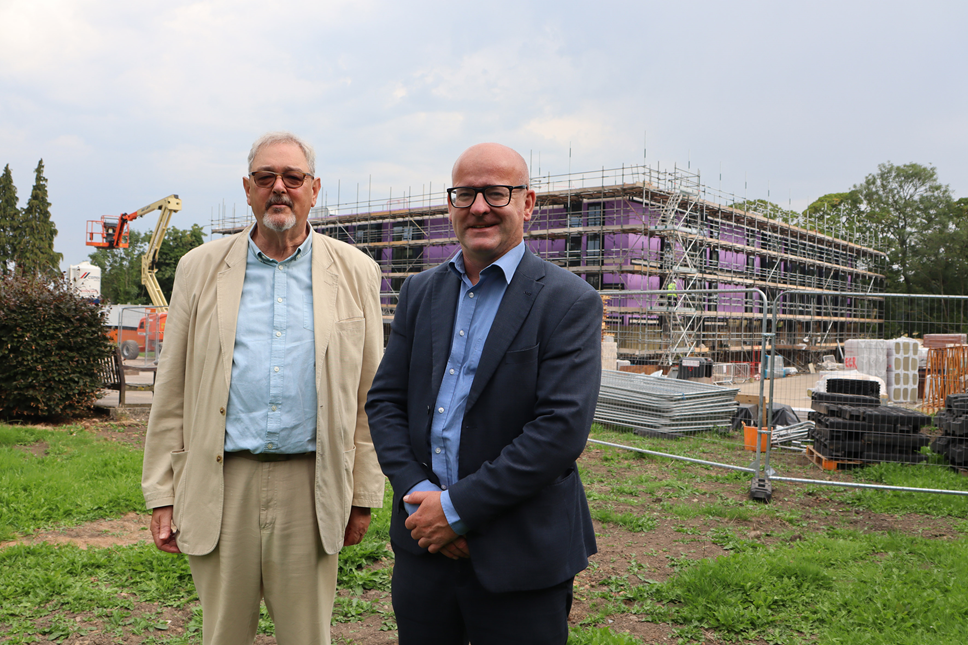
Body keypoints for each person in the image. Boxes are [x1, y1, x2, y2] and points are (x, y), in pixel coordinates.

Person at [142, 132, 385, 645]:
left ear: (314, 189)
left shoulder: (357, 271)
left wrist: (363, 493)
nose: (280, 188)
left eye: (292, 178)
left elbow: (369, 396)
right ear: (247, 189)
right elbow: (174, 392)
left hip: (313, 483)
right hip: (220, 481)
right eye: (265, 178)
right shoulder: (199, 269)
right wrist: (162, 492)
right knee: (223, 636)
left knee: (307, 638)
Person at [365, 142, 602, 644]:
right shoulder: (420, 292)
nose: (478, 207)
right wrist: (424, 500)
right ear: (450, 204)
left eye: (497, 193)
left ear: (528, 204)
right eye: (465, 193)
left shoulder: (568, 301)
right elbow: (386, 402)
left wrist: (457, 511)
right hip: (424, 548)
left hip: (521, 556)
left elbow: (559, 431)